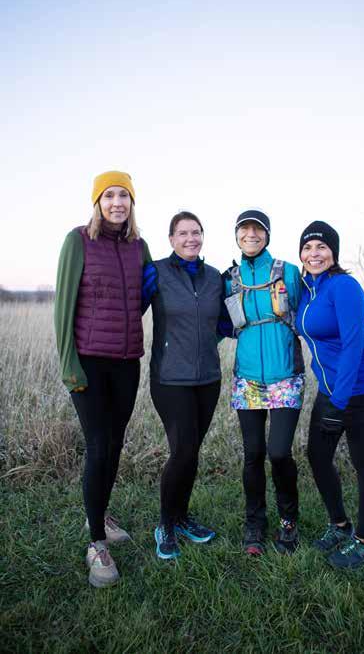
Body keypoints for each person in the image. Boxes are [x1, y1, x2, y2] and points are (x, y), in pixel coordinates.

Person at [55, 171, 151, 587]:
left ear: (132, 203)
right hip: (89, 363)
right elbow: (63, 306)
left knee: (114, 444)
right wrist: (69, 366)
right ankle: (95, 543)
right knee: (97, 446)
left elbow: (137, 301)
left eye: (123, 196)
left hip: (127, 362)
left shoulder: (139, 247)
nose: (117, 203)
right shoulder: (77, 241)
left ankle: (100, 514)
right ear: (97, 202)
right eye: (109, 196)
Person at [296, 221, 364, 569]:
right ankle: (340, 525)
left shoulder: (344, 285)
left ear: (333, 253)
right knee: (317, 456)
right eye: (308, 247)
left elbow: (352, 347)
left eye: (322, 247)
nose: (314, 254)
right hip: (331, 389)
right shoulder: (308, 290)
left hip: (363, 390)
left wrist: (339, 402)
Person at [224, 210, 305, 555]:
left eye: (258, 230)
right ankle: (254, 523)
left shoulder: (288, 271)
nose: (251, 235)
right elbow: (220, 324)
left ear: (267, 235)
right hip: (247, 379)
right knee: (253, 454)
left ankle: (288, 520)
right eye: (244, 230)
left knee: (279, 452)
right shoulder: (231, 278)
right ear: (237, 235)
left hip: (285, 376)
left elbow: (310, 313)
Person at [149, 211, 224, 560]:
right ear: (171, 239)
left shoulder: (215, 277)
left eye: (196, 232)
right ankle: (165, 524)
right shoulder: (156, 272)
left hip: (208, 378)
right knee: (181, 450)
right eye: (183, 233)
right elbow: (128, 309)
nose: (190, 238)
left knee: (192, 451)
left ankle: (181, 517)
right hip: (170, 378)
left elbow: (227, 323)